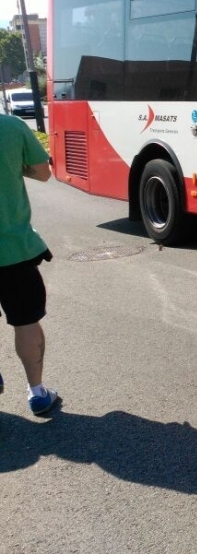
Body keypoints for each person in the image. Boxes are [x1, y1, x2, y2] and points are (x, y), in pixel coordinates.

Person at [0, 112, 60, 416]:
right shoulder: (10, 127)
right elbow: (43, 172)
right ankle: (37, 394)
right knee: (25, 321)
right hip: (13, 249)